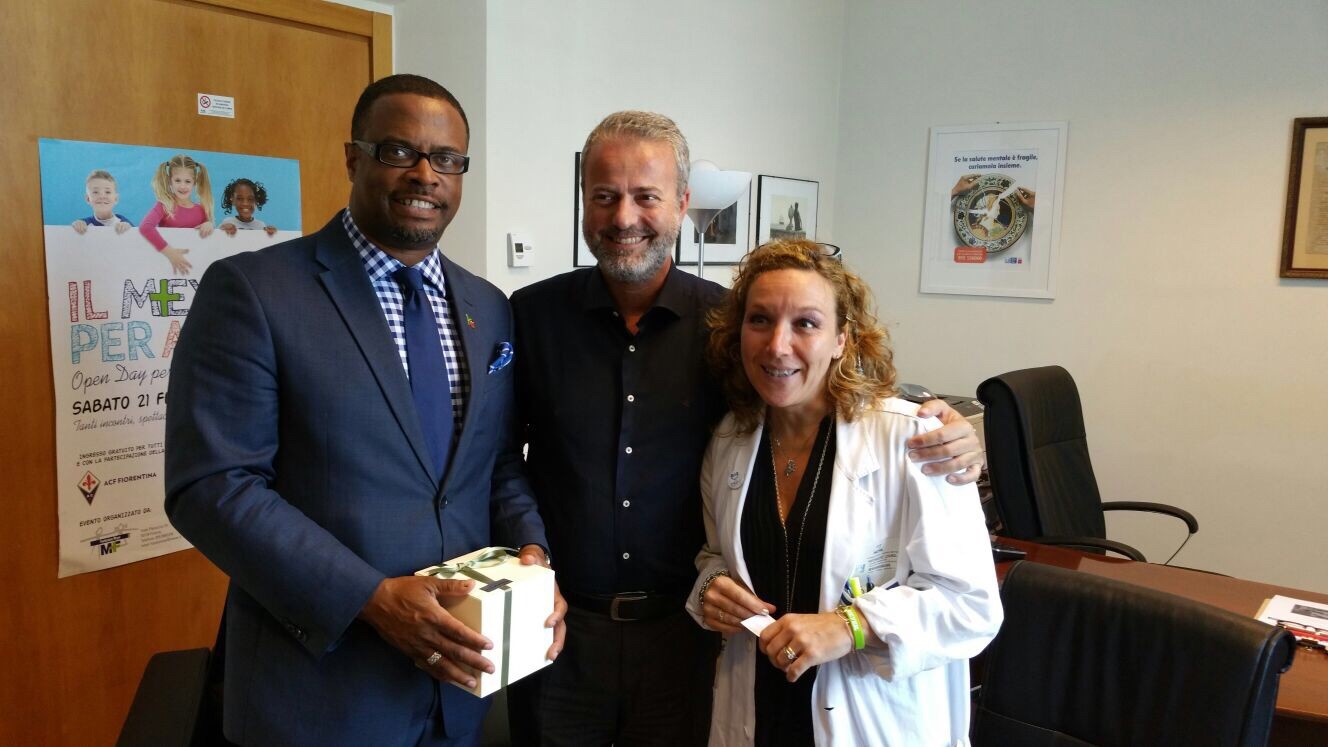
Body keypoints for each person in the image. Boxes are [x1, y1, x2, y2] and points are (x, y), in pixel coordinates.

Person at [507, 111, 985, 746]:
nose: (624, 216)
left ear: (681, 204)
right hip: (565, 631)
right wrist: (533, 556)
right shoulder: (534, 316)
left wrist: (963, 435)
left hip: (685, 651)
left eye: (646, 195)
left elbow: (823, 393)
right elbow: (503, 461)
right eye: (604, 196)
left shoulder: (719, 324)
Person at [165, 73, 564, 747]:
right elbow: (211, 487)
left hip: (458, 692)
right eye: (397, 151)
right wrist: (369, 598)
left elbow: (495, 464)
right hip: (318, 697)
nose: (424, 174)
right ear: (352, 158)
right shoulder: (255, 292)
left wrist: (533, 552)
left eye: (446, 160)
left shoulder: (489, 307)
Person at [688, 239, 1003, 745]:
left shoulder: (913, 440)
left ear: (842, 339)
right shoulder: (729, 441)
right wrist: (711, 589)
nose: (777, 346)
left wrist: (852, 626)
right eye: (760, 320)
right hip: (760, 713)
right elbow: (715, 555)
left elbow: (972, 608)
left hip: (873, 719)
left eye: (806, 324)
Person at [139, 153, 214, 275]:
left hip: (193, 269)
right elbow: (145, 227)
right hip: (167, 267)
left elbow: (207, 241)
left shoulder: (201, 210)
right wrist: (170, 253)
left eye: (187, 181)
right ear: (170, 181)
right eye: (177, 180)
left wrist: (209, 224)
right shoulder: (164, 205)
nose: (182, 186)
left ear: (194, 182)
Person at [71, 169, 133, 234]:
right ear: (87, 199)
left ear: (116, 199)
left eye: (107, 192)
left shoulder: (125, 224)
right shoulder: (83, 225)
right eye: (95, 192)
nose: (102, 196)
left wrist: (130, 230)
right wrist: (74, 228)